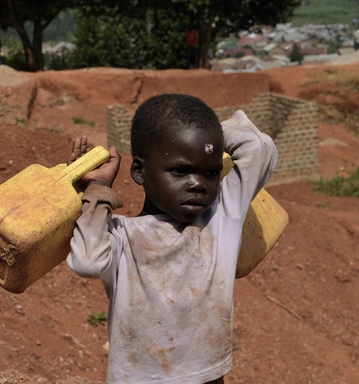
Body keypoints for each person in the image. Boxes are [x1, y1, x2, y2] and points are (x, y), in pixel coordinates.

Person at [66, 93, 277, 384]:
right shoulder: (122, 235)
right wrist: (97, 188)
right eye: (180, 170)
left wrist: (206, 136)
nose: (198, 184)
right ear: (139, 171)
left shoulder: (222, 216)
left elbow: (260, 146)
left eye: (211, 172)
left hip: (208, 378)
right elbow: (86, 261)